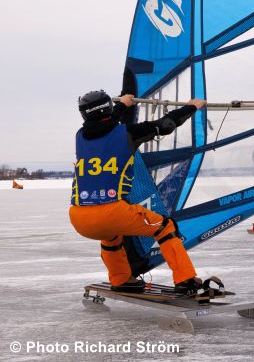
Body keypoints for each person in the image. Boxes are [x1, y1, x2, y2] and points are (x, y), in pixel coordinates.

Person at [70, 90, 206, 294]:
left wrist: (122, 105)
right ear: (107, 108)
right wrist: (191, 107)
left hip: (79, 218)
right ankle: (185, 279)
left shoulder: (80, 136)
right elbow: (165, 125)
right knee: (165, 227)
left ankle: (121, 279)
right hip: (112, 212)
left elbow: (102, 125)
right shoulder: (128, 133)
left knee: (111, 236)